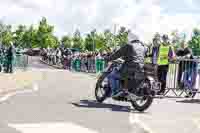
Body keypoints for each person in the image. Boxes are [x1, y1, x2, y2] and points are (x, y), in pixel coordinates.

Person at [105, 31, 147, 97]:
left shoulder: (129, 45)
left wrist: (107, 58)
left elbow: (117, 54)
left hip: (128, 70)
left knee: (111, 75)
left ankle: (115, 92)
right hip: (140, 69)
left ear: (130, 38)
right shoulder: (143, 47)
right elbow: (138, 56)